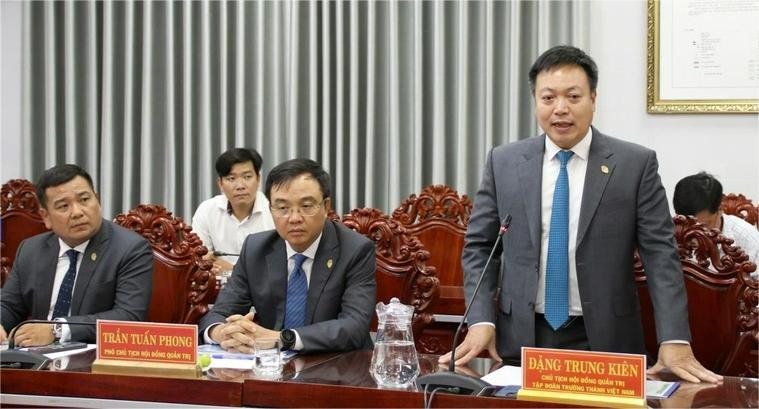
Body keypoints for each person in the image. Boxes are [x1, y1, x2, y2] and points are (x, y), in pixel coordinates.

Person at [439, 45, 721, 383]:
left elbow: (661, 255)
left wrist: (674, 338)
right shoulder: (504, 162)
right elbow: (480, 248)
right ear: (535, 102)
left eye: (573, 96)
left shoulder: (634, 165)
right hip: (523, 339)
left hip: (606, 341)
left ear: (593, 99)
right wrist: (482, 320)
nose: (560, 109)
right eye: (548, 98)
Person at [198, 158, 376, 353]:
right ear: (271, 210)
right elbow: (219, 312)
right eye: (282, 208)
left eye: (306, 206)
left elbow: (354, 327)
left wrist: (280, 339)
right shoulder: (256, 249)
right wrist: (222, 332)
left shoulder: (355, 250)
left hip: (338, 368)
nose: (294, 218)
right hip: (271, 369)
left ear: (326, 207)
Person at [0, 164, 153, 345]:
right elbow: (9, 305)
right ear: (46, 217)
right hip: (35, 359)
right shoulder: (31, 249)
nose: (77, 212)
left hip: (93, 362)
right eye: (63, 206)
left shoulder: (130, 248)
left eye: (84, 200)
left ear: (98, 200)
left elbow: (129, 317)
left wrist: (57, 330)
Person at [192, 148, 275, 276]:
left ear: (258, 179)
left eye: (247, 177)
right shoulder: (207, 210)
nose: (240, 185)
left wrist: (232, 269)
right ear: (220, 183)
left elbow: (278, 265)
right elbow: (200, 258)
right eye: (231, 178)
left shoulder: (274, 211)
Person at [673, 172, 759, 276]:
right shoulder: (664, 236)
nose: (694, 233)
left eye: (703, 225)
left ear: (720, 210)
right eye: (686, 224)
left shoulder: (749, 238)